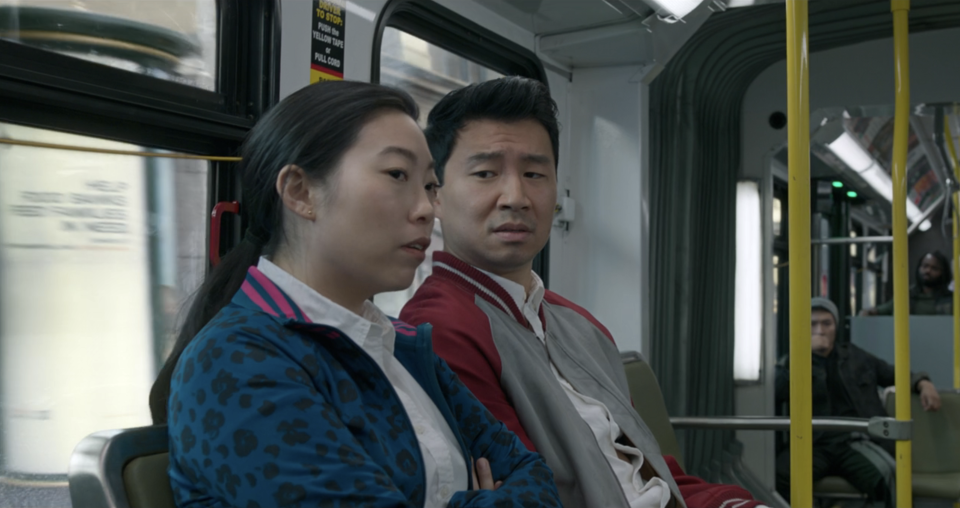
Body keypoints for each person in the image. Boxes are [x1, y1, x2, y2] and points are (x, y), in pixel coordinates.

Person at [148, 81, 560, 508]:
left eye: (430, 186)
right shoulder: (235, 362)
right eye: (397, 175)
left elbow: (535, 477)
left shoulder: (402, 346)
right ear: (300, 192)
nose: (424, 209)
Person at [400, 76, 767, 508]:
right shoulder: (438, 329)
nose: (515, 196)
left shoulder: (577, 325)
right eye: (485, 173)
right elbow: (533, 492)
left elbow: (646, 472)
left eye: (535, 173)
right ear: (435, 196)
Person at [775, 297, 942, 505]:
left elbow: (894, 374)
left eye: (826, 323)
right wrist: (803, 356)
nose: (820, 330)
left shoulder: (855, 356)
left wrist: (923, 383)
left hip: (853, 441)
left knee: (889, 475)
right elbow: (776, 389)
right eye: (812, 324)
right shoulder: (792, 361)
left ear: (835, 327)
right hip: (812, 444)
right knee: (780, 474)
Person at [862, 251, 953, 315]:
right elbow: (886, 308)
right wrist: (870, 312)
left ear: (943, 273)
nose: (928, 271)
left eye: (934, 268)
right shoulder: (908, 294)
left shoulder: (951, 299)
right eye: (925, 266)